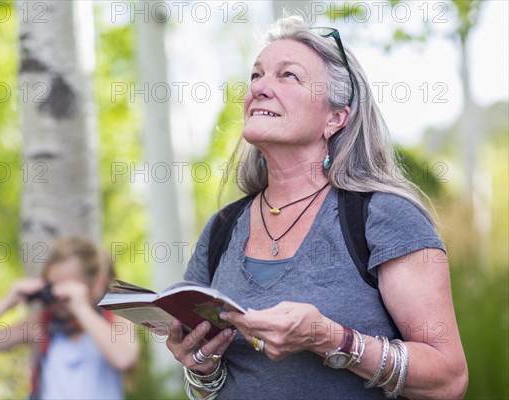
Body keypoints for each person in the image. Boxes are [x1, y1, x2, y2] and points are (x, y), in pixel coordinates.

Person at [165, 16, 468, 399]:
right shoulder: (222, 227)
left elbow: (448, 380)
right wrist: (202, 369)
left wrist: (329, 338)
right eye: (256, 75)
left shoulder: (384, 217)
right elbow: (212, 386)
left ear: (335, 117)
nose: (259, 87)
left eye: (287, 75)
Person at [0, 237, 139, 400]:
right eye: (53, 287)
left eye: (67, 286)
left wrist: (81, 307)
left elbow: (123, 358)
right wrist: (8, 301)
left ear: (97, 284)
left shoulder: (114, 319)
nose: (58, 296)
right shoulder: (41, 324)